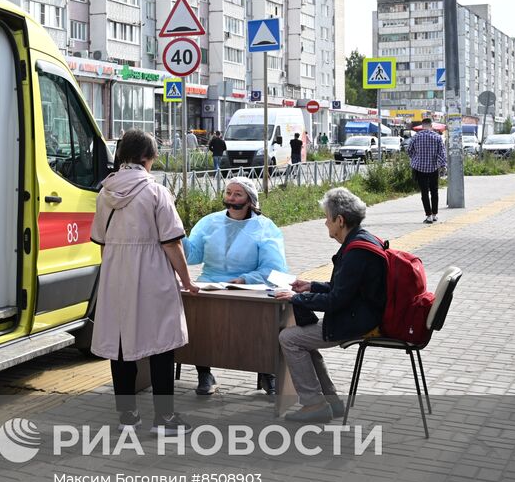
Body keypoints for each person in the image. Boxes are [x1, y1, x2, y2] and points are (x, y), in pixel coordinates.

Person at [90, 129, 197, 433]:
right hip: (152, 274)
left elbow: (101, 241)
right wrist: (187, 281)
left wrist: (115, 267)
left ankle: (127, 416)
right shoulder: (155, 192)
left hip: (115, 273)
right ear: (148, 157)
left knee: (121, 344)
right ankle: (164, 418)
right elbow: (172, 243)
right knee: (161, 344)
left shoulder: (104, 191)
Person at [274, 187, 388, 422]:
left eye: (327, 219)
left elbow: (336, 301)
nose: (325, 224)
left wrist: (297, 298)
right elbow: (344, 290)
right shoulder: (361, 240)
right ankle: (331, 402)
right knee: (302, 337)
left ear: (340, 220)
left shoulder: (356, 252)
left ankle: (313, 404)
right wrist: (311, 286)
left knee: (289, 338)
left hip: (359, 321)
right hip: (361, 314)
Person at [183, 176, 289, 395]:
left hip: (249, 289)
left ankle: (266, 373)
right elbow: (192, 255)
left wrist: (245, 279)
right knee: (200, 324)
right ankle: (204, 373)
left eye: (237, 194)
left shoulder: (264, 227)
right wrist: (177, 237)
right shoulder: (209, 222)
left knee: (260, 325)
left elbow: (273, 267)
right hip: (210, 284)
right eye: (228, 192)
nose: (231, 198)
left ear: (250, 200)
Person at [409, 118, 447, 223]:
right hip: (433, 168)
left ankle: (428, 215)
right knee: (434, 192)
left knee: (424, 193)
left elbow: (409, 151)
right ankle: (434, 214)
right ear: (431, 125)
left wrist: (416, 159)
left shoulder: (416, 137)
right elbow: (442, 153)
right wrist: (443, 165)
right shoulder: (437, 137)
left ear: (422, 126)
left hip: (420, 168)